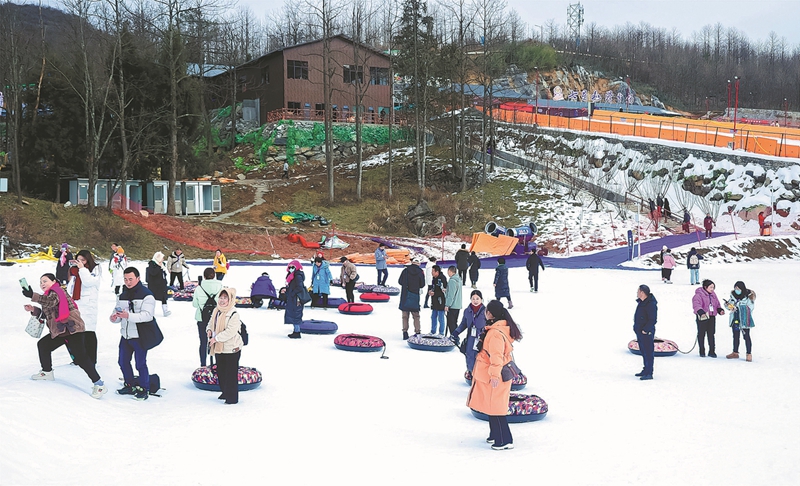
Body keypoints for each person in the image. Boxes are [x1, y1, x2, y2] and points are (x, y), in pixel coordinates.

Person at [22, 273, 107, 399]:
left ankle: (99, 384)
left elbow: (51, 302)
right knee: (43, 345)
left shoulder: (58, 291)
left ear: (54, 281)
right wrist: (33, 309)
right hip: (61, 330)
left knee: (81, 357)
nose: (42, 284)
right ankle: (47, 372)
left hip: (72, 329)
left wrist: (32, 296)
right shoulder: (48, 295)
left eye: (45, 281)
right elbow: (48, 314)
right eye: (40, 282)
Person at [466, 299, 522, 450]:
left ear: (490, 314)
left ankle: (504, 439)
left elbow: (496, 357)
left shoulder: (495, 334)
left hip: (496, 376)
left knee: (496, 407)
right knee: (492, 405)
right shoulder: (499, 329)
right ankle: (495, 434)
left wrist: (495, 376)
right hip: (492, 374)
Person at [111, 267, 157, 400]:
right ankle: (129, 384)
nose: (128, 282)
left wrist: (128, 315)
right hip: (125, 335)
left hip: (140, 336)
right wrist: (115, 317)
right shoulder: (123, 295)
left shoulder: (147, 295)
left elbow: (147, 316)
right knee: (122, 361)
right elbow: (118, 313)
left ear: (138, 278)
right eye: (125, 279)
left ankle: (144, 388)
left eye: (130, 279)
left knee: (140, 363)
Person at [206, 287, 244, 404]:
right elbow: (211, 322)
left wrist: (216, 338)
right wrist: (209, 330)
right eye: (221, 298)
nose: (222, 300)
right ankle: (225, 392)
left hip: (231, 348)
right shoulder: (216, 310)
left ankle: (232, 398)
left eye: (225, 298)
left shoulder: (233, 314)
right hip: (219, 347)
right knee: (221, 371)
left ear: (230, 300)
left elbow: (230, 331)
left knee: (230, 373)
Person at [67, 250, 102, 364]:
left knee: (89, 332)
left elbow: (88, 282)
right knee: (77, 332)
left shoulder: (95, 269)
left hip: (88, 305)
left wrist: (82, 269)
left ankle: (92, 359)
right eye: (78, 260)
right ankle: (79, 358)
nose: (80, 262)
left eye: (83, 260)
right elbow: (71, 287)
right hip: (77, 304)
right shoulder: (75, 272)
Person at [452, 290, 487, 377]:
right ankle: (471, 373)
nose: (475, 301)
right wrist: (456, 332)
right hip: (471, 337)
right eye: (473, 299)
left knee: (482, 356)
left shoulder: (486, 312)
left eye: (477, 299)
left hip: (482, 337)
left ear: (481, 299)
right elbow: (464, 323)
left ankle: (482, 375)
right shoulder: (467, 311)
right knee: (470, 355)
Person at [192, 267, 223, 367]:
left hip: (202, 318)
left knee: (203, 342)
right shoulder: (221, 287)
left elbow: (195, 304)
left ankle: (203, 365)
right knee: (217, 341)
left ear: (204, 276)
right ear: (214, 275)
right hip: (217, 319)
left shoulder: (199, 288)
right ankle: (217, 364)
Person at [692, 279, 725, 358]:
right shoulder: (698, 295)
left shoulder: (713, 294)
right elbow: (696, 304)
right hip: (702, 317)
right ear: (705, 287)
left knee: (711, 334)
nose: (712, 289)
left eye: (713, 287)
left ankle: (712, 351)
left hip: (712, 316)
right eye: (710, 287)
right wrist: (700, 312)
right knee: (701, 334)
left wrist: (720, 310)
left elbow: (717, 304)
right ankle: (702, 351)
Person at [726, 281, 756, 362]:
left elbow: (751, 307)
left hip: (744, 320)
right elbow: (729, 305)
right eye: (735, 288)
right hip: (735, 319)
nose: (736, 290)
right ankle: (735, 352)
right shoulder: (733, 296)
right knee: (735, 336)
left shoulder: (748, 297)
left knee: (746, 337)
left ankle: (749, 354)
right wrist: (729, 306)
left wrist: (739, 307)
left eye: (738, 289)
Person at [633, 284, 657, 380]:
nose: (637, 293)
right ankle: (645, 369)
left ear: (642, 292)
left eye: (638, 291)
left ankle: (649, 372)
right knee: (643, 351)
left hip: (646, 332)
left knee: (648, 352)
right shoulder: (642, 302)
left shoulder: (651, 304)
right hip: (639, 330)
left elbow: (653, 319)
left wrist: (645, 330)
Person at [398, 256, 425, 340]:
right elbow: (422, 284)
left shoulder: (405, 271)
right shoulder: (420, 272)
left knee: (405, 316)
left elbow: (400, 281)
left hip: (405, 295)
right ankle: (417, 332)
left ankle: (405, 332)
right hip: (415, 295)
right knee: (416, 316)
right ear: (418, 264)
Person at [284, 260, 306, 339]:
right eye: (290, 267)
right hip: (292, 297)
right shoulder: (291, 275)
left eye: (293, 267)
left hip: (296, 298)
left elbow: (299, 287)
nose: (291, 268)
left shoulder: (298, 276)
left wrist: (293, 293)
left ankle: (297, 331)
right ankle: (295, 330)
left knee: (296, 314)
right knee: (293, 313)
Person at [146, 251, 171, 317]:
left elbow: (163, 274)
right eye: (162, 258)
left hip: (161, 285)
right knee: (152, 299)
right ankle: (151, 311)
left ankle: (165, 310)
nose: (163, 259)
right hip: (154, 285)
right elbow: (153, 273)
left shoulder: (162, 265)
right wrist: (158, 267)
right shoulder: (152, 265)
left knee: (164, 297)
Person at [444, 266, 463, 336]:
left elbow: (451, 295)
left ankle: (454, 337)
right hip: (458, 304)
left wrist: (447, 305)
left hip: (452, 305)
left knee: (451, 323)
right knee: (454, 322)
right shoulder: (459, 279)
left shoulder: (452, 280)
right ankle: (455, 336)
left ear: (450, 271)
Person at [429, 265, 448, 335]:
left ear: (437, 272)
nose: (432, 273)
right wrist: (430, 291)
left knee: (441, 317)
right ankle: (433, 331)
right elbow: (433, 288)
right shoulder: (434, 279)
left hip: (440, 301)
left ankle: (441, 332)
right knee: (433, 316)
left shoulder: (442, 279)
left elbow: (444, 290)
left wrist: (435, 293)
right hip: (434, 301)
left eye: (433, 271)